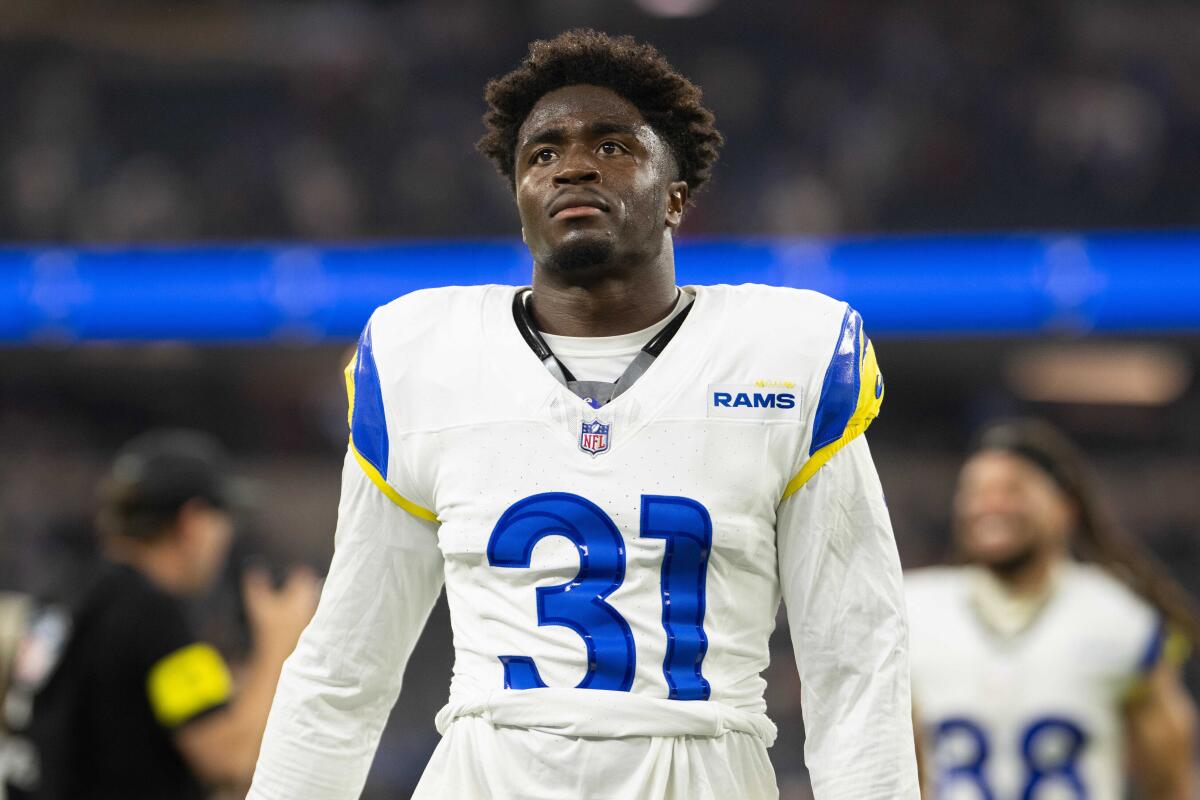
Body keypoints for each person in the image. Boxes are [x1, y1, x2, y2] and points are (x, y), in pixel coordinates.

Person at [250, 29, 918, 800]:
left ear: (676, 195)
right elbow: (345, 668)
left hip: (698, 770)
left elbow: (855, 659)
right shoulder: (420, 357)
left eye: (612, 147)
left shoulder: (785, 354)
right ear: (520, 200)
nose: (572, 165)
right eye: (542, 153)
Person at [1, 429, 318, 799]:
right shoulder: (149, 612)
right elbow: (230, 761)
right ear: (193, 522)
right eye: (222, 519)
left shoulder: (63, 594)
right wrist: (278, 644)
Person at [907, 420, 1198, 799]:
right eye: (975, 491)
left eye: (1013, 489)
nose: (990, 504)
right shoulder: (910, 610)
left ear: (1065, 506)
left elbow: (1169, 779)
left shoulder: (1121, 617)